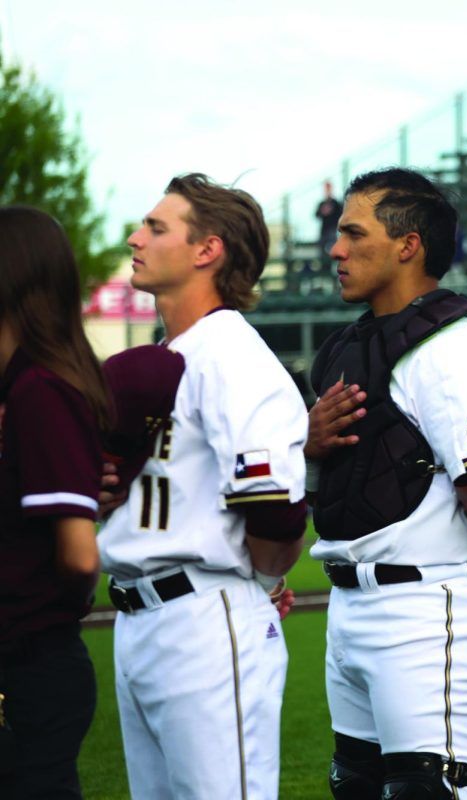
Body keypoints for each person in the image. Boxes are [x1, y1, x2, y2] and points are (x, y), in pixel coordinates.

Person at [302, 168, 467, 799]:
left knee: (431, 790)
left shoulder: (451, 350)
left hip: (422, 605)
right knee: (360, 787)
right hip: (349, 602)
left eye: (353, 233)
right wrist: (308, 445)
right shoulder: (354, 346)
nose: (336, 250)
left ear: (408, 245)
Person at [99, 174, 310, 799]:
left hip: (203, 618)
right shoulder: (169, 352)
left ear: (207, 250)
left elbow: (274, 511)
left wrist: (262, 584)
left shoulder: (233, 357)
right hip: (138, 615)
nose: (136, 237)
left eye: (156, 227)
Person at [0, 207, 105, 799]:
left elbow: (79, 557)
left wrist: (39, 616)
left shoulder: (41, 388)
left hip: (32, 664)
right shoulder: (18, 386)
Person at [315, 179, 343, 282]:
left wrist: (330, 212)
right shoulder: (322, 203)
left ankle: (331, 275)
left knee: (331, 254)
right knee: (322, 255)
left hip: (332, 232)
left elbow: (340, 215)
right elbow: (316, 215)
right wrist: (323, 212)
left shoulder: (335, 203)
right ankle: (324, 273)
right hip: (323, 232)